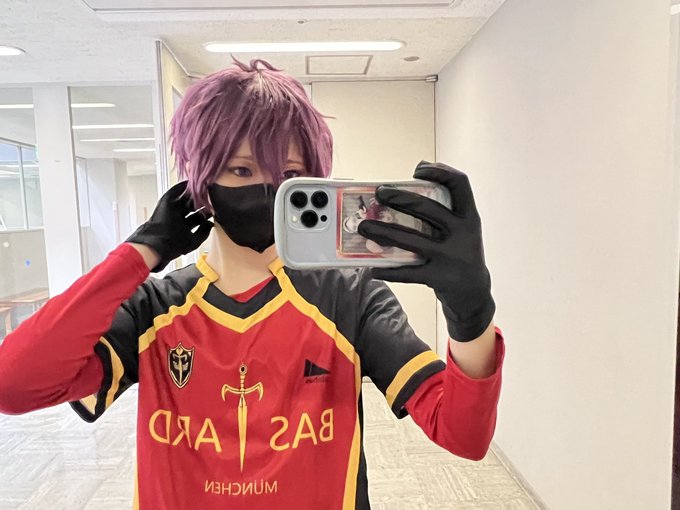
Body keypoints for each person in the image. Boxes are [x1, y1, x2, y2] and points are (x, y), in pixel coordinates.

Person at [0, 59, 504, 510]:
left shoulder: (350, 298)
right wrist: (140, 253)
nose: (265, 189)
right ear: (199, 181)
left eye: (290, 172)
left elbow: (463, 435)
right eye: (240, 169)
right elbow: (13, 385)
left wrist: (471, 311)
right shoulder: (154, 308)